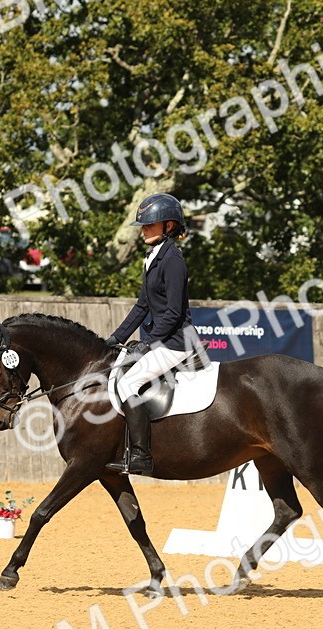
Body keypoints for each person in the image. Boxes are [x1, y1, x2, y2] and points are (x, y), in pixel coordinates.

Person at [104, 193, 199, 476]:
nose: (143, 229)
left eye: (150, 224)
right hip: (163, 339)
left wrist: (147, 343)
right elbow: (142, 306)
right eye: (142, 225)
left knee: (128, 384)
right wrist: (115, 339)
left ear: (169, 226)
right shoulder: (153, 257)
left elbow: (173, 312)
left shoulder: (173, 260)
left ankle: (141, 456)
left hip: (177, 342)